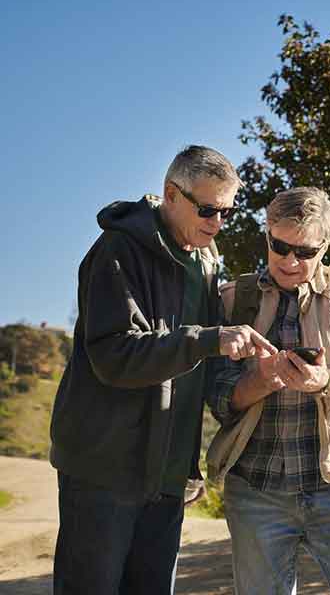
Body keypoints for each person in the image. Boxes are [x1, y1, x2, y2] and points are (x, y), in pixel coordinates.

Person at [49, 145, 277, 595]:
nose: (217, 224)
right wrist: (208, 338)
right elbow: (114, 354)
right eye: (208, 209)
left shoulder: (207, 263)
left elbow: (197, 373)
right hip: (104, 471)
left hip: (168, 479)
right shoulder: (118, 250)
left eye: (226, 213)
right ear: (172, 194)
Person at [207, 187, 330, 595]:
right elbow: (220, 399)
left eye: (306, 252)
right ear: (267, 235)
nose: (291, 261)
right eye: (280, 247)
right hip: (256, 487)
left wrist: (324, 381)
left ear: (325, 246)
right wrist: (260, 381)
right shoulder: (232, 299)